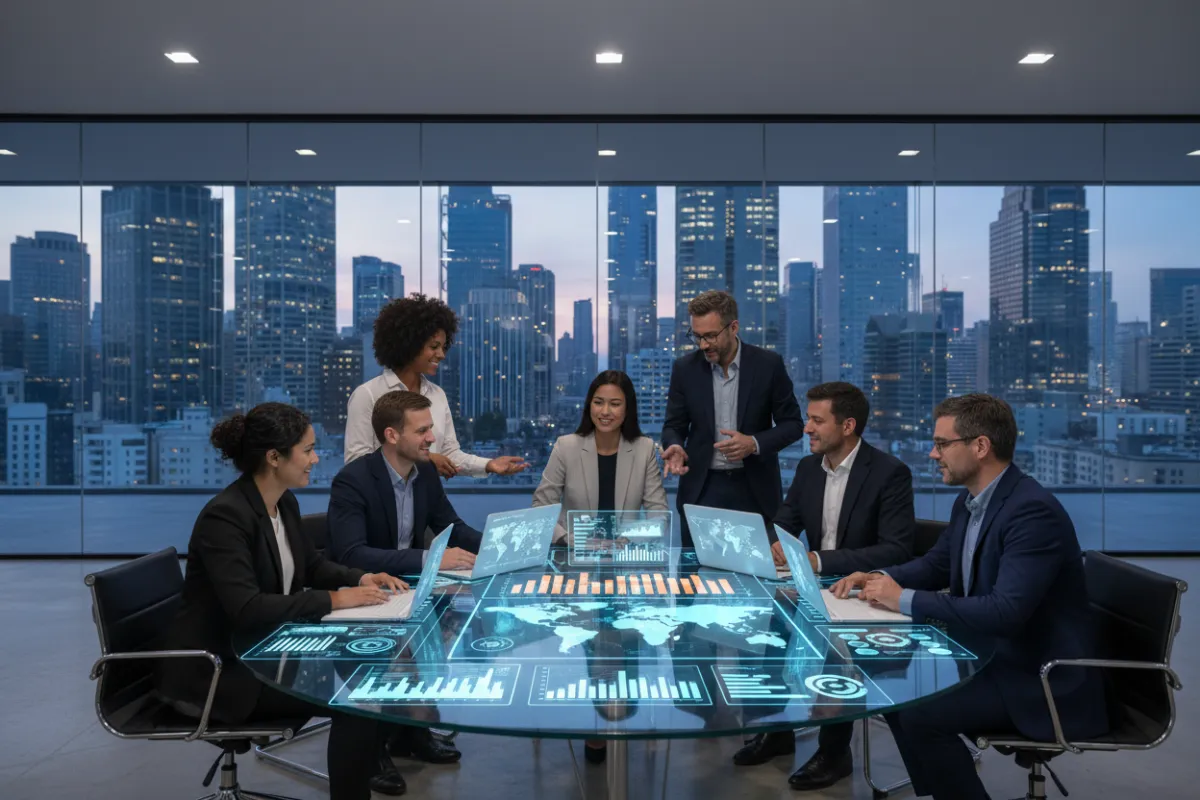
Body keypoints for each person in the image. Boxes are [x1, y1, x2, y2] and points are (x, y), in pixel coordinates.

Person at [832, 394, 1109, 800]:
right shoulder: (973, 502)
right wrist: (875, 577)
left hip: (1039, 678)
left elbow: (1004, 612)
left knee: (920, 708)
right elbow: (935, 565)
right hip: (993, 657)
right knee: (887, 679)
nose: (932, 453)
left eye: (942, 444)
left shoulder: (1032, 512)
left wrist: (901, 598)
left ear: (980, 447)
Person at [156, 403, 407, 800]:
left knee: (368, 673)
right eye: (306, 450)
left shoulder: (282, 502)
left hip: (267, 648)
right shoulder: (225, 517)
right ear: (274, 457)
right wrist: (334, 600)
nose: (315, 457)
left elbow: (310, 565)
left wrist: (359, 577)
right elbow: (248, 608)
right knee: (356, 699)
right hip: (220, 671)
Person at [734, 381, 915, 790]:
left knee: (837, 644)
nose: (807, 429)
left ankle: (835, 753)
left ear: (847, 425)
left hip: (864, 591)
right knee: (764, 620)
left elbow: (896, 549)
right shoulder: (806, 468)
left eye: (817, 420)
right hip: (817, 587)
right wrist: (774, 542)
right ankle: (774, 731)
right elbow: (785, 520)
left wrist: (818, 560)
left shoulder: (890, 473)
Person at [328, 389, 484, 791]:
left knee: (462, 632)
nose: (432, 438)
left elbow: (453, 525)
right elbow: (351, 552)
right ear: (392, 435)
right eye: (423, 430)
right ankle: (373, 746)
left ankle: (411, 733)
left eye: (430, 428)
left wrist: (497, 547)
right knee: (395, 654)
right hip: (368, 595)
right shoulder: (353, 480)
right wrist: (428, 559)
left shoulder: (426, 473)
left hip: (413, 592)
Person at [661, 290, 804, 546]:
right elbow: (674, 424)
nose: (704, 344)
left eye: (711, 336)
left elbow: (793, 425)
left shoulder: (768, 365)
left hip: (755, 491)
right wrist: (674, 445)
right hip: (702, 490)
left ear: (733, 327)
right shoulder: (685, 369)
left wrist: (754, 443)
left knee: (758, 580)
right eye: (697, 336)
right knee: (696, 578)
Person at [344, 293, 528, 479]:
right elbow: (356, 462)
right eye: (434, 347)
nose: (441, 355)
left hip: (428, 502)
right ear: (409, 344)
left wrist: (488, 464)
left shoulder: (437, 395)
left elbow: (449, 454)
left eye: (443, 347)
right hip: (383, 505)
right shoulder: (367, 395)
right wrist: (426, 460)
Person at [532, 370, 668, 544]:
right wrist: (569, 539)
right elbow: (541, 506)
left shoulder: (644, 448)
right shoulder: (565, 447)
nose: (605, 411)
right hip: (572, 556)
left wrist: (629, 539)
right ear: (589, 406)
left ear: (628, 409)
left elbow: (659, 513)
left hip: (625, 557)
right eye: (598, 403)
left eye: (615, 404)